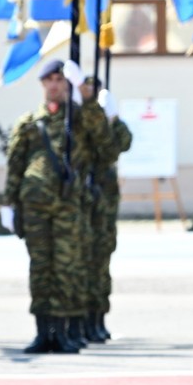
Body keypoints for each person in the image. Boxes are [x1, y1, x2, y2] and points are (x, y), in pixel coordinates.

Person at [4, 59, 113, 354]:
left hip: (68, 204)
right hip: (35, 205)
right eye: (49, 79)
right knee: (40, 268)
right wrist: (10, 204)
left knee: (66, 268)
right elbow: (15, 166)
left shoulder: (79, 119)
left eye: (60, 79)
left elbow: (106, 141)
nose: (54, 84)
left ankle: (64, 332)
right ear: (42, 84)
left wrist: (85, 94)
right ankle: (43, 332)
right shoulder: (28, 123)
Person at [83, 75, 133, 343]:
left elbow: (120, 145)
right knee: (79, 264)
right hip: (79, 201)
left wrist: (112, 117)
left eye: (95, 89)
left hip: (104, 202)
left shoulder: (106, 121)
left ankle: (97, 318)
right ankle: (78, 319)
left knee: (101, 263)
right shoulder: (76, 119)